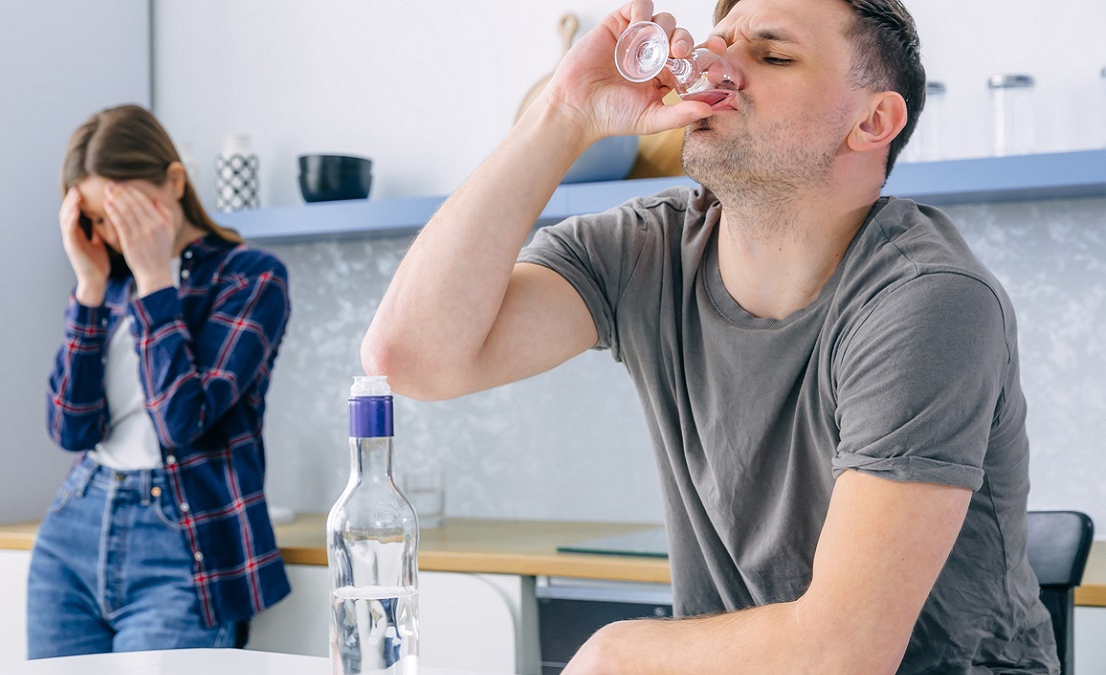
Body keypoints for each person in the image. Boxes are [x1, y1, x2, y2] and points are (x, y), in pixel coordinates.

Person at [361, 0, 1058, 672]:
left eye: (772, 53)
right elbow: (412, 359)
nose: (715, 67)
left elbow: (840, 654)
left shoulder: (927, 299)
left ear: (873, 120)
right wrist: (564, 113)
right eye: (717, 42)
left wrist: (615, 655)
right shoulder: (651, 246)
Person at [28, 104, 292, 658]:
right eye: (96, 219)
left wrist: (154, 279)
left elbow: (183, 421)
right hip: (74, 530)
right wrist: (90, 288)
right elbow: (71, 429)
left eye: (121, 214)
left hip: (184, 545)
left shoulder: (251, 277)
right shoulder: (111, 284)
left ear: (174, 182)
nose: (111, 235)